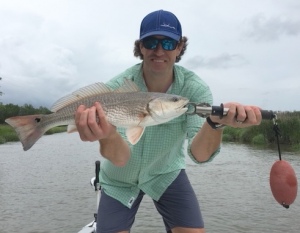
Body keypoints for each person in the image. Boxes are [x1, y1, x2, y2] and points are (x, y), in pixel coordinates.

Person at [75, 10, 262, 233]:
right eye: (151, 42)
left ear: (180, 47)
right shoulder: (117, 88)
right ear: (141, 46)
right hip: (118, 179)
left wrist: (215, 123)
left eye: (169, 43)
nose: (159, 50)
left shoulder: (194, 89)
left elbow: (200, 156)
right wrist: (108, 135)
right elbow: (121, 159)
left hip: (166, 173)